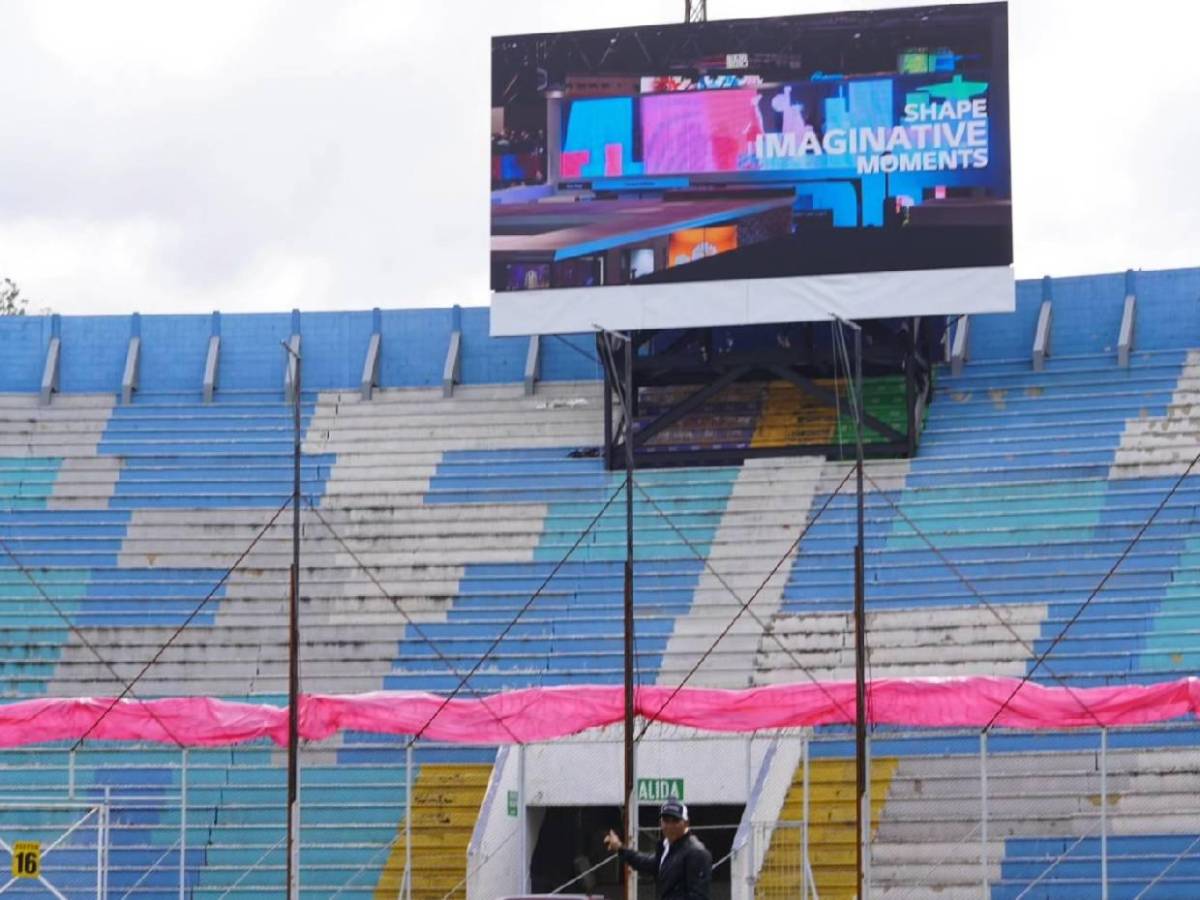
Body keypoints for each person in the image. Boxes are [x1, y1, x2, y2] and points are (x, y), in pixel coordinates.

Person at [603, 798, 712, 899]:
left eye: (675, 820)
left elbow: (698, 897)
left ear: (686, 823)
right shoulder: (668, 847)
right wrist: (620, 848)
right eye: (666, 820)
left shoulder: (696, 853)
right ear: (660, 823)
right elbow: (646, 862)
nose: (670, 826)